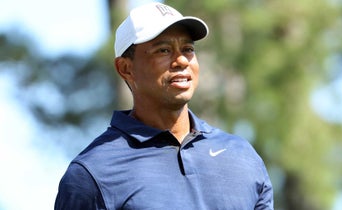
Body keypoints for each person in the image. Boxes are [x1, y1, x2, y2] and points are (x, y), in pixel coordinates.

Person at [54, 2, 273, 210]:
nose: (182, 61)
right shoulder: (92, 173)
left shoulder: (241, 156)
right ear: (126, 68)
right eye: (164, 50)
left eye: (187, 49)